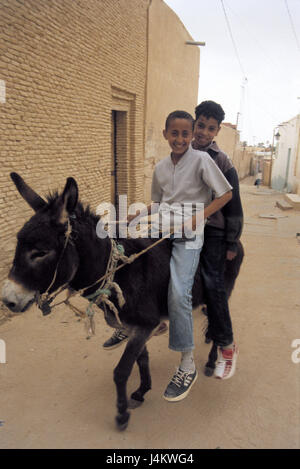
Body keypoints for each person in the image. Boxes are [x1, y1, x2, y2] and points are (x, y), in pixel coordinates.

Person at [103, 110, 233, 401]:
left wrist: (200, 217)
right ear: (165, 134)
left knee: (178, 293)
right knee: (128, 266)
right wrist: (138, 214)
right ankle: (131, 324)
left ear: (191, 136)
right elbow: (160, 203)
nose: (180, 139)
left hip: (187, 238)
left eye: (185, 134)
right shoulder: (161, 168)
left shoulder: (202, 160)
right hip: (159, 233)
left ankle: (187, 365)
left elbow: (225, 194)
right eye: (174, 133)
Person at [192, 100, 244, 380]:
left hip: (212, 229)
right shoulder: (182, 150)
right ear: (194, 121)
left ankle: (226, 343)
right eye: (200, 125)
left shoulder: (222, 161)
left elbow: (234, 207)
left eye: (210, 129)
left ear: (216, 132)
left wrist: (232, 241)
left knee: (212, 280)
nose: (203, 132)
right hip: (185, 225)